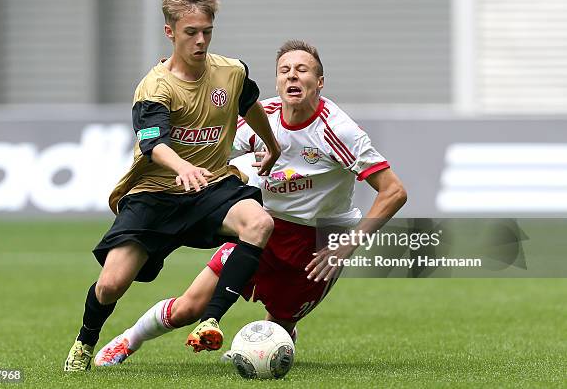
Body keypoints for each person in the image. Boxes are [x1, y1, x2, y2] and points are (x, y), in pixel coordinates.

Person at [93, 40, 407, 366]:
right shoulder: (263, 118)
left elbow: (393, 191)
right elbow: (213, 151)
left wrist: (347, 246)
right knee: (191, 306)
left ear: (320, 82)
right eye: (285, 71)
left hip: (316, 243)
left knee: (280, 327)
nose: (292, 78)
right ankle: (129, 339)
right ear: (276, 81)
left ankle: (267, 340)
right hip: (262, 227)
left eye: (302, 70)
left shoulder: (338, 131)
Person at [63, 0, 281, 371]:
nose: (200, 40)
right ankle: (84, 341)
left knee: (259, 223)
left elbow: (250, 105)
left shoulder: (231, 71)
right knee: (111, 284)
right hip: (154, 193)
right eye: (190, 32)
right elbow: (154, 143)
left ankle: (211, 318)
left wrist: (272, 144)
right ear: (170, 32)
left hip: (211, 185)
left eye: (207, 32)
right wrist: (183, 166)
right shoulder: (154, 88)